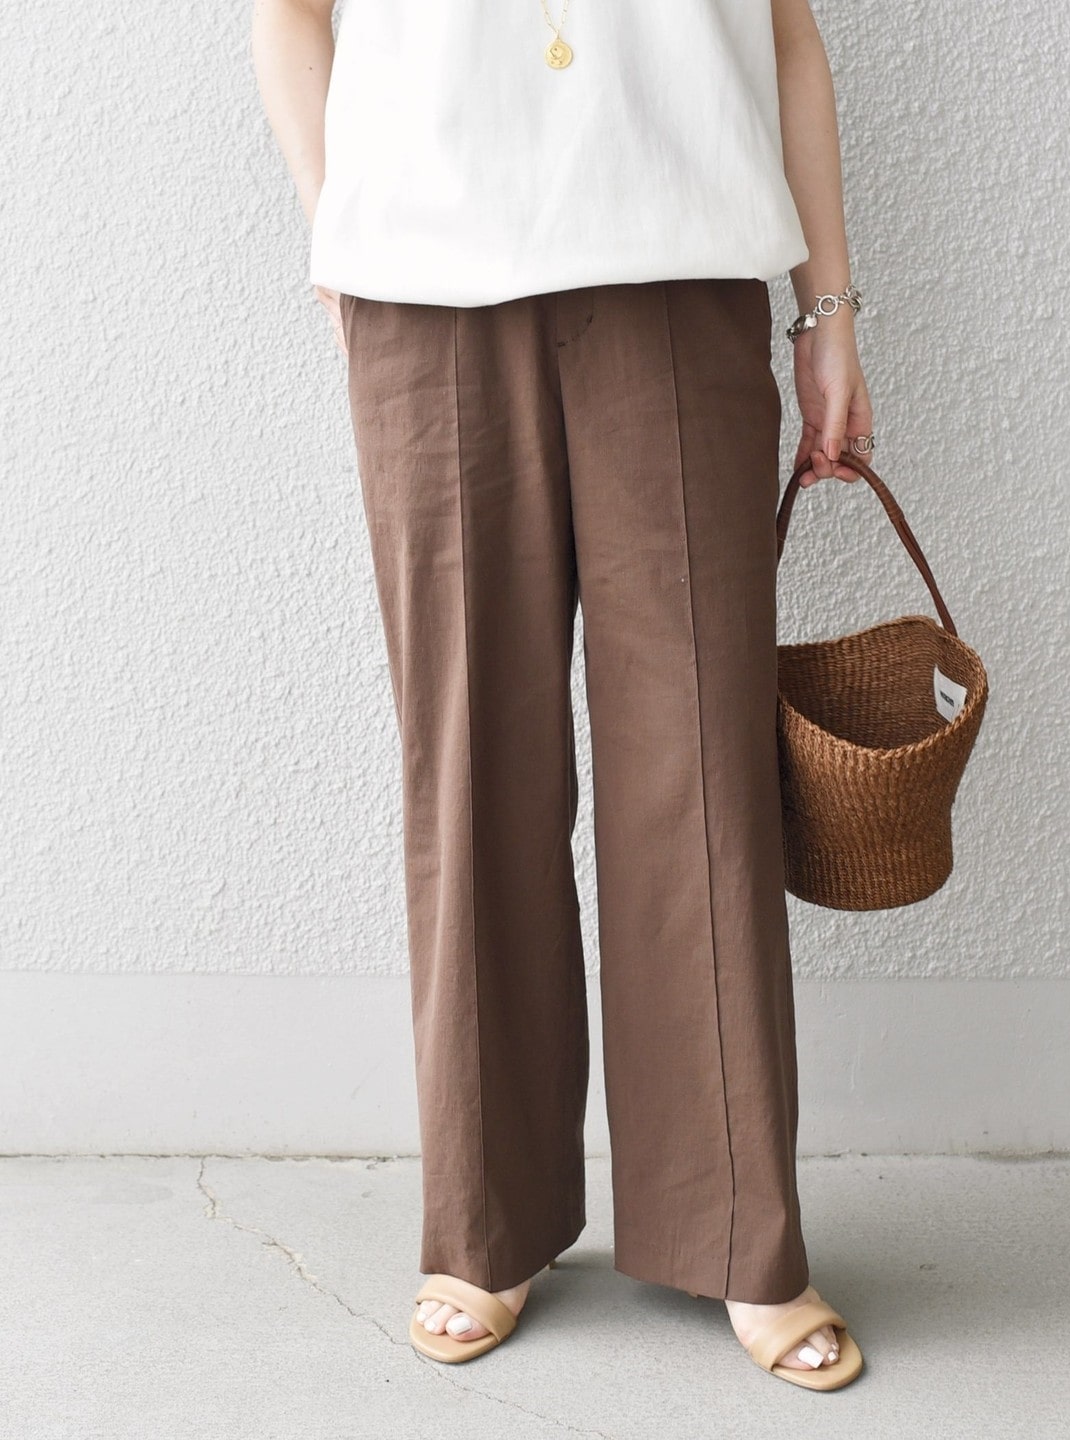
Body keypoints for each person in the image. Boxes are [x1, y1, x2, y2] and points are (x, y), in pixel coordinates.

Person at [252, 0, 873, 1393]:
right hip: (426, 292)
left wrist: (827, 310)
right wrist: (336, 227)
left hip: (684, 273)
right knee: (473, 770)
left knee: (701, 777)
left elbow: (785, 33)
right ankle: (483, 1227)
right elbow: (286, 17)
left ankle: (741, 1234)